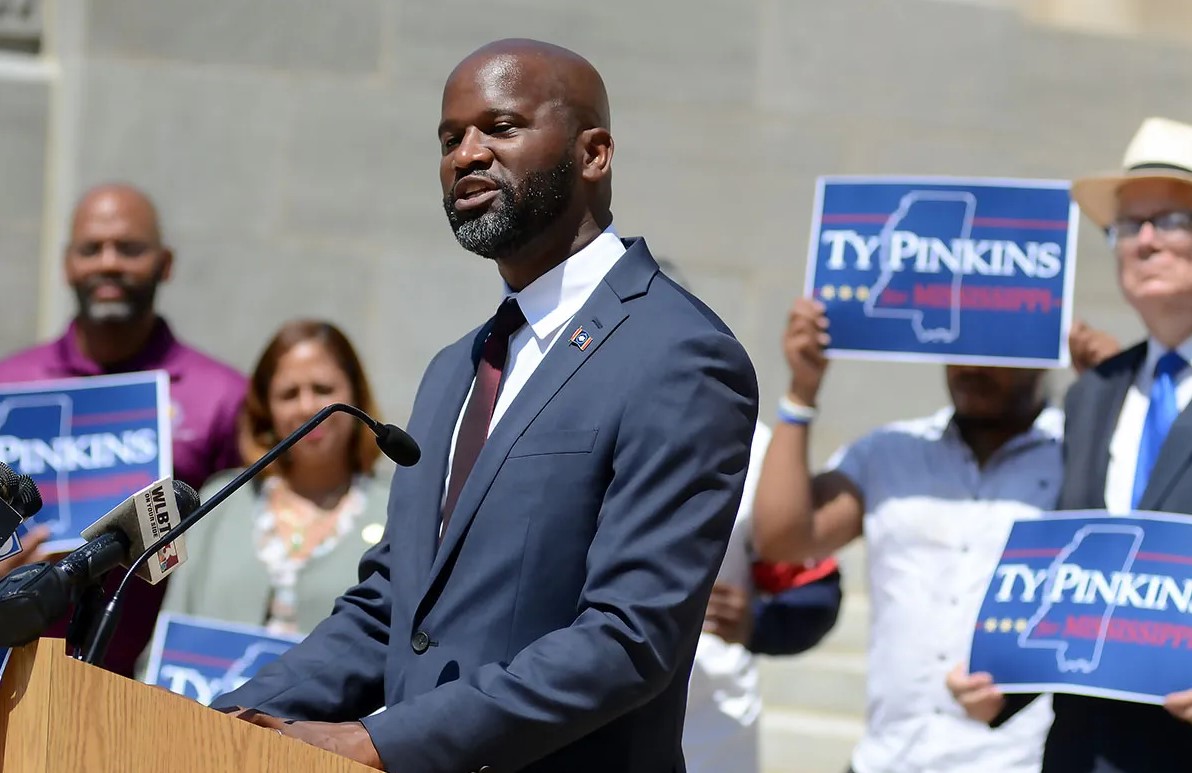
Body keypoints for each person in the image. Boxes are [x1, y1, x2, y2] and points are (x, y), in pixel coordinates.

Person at [212, 38, 759, 773]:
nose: (466, 155)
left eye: (501, 128)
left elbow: (629, 638)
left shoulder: (679, 357)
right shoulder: (455, 369)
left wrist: (379, 741)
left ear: (593, 153)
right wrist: (220, 721)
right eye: (449, 139)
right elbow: (392, 611)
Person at [949, 116, 1192, 772]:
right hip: (1084, 752)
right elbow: (1080, 578)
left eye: (1170, 220)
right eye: (1127, 225)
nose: (1144, 241)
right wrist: (1002, 681)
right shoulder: (1093, 395)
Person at [753, 296, 1074, 773]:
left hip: (1019, 760)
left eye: (994, 345)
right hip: (889, 757)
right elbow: (783, 540)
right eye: (959, 341)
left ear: (1043, 346)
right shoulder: (889, 453)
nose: (972, 365)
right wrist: (801, 392)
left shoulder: (1083, 461)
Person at [0, 182, 246, 678]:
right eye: (91, 248)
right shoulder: (10, 383)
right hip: (16, 675)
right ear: (67, 264)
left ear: (165, 263)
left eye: (129, 248)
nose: (109, 262)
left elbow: (241, 545)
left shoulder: (224, 396)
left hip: (157, 686)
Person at [653, 258, 844, 773]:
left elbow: (816, 594)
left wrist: (757, 623)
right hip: (578, 718)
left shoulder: (750, 451)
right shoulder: (548, 437)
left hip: (707, 732)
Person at [159, 320, 391, 637]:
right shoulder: (219, 501)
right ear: (266, 409)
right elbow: (169, 636)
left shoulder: (395, 511)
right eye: (289, 395)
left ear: (356, 397)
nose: (307, 407)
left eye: (323, 390)